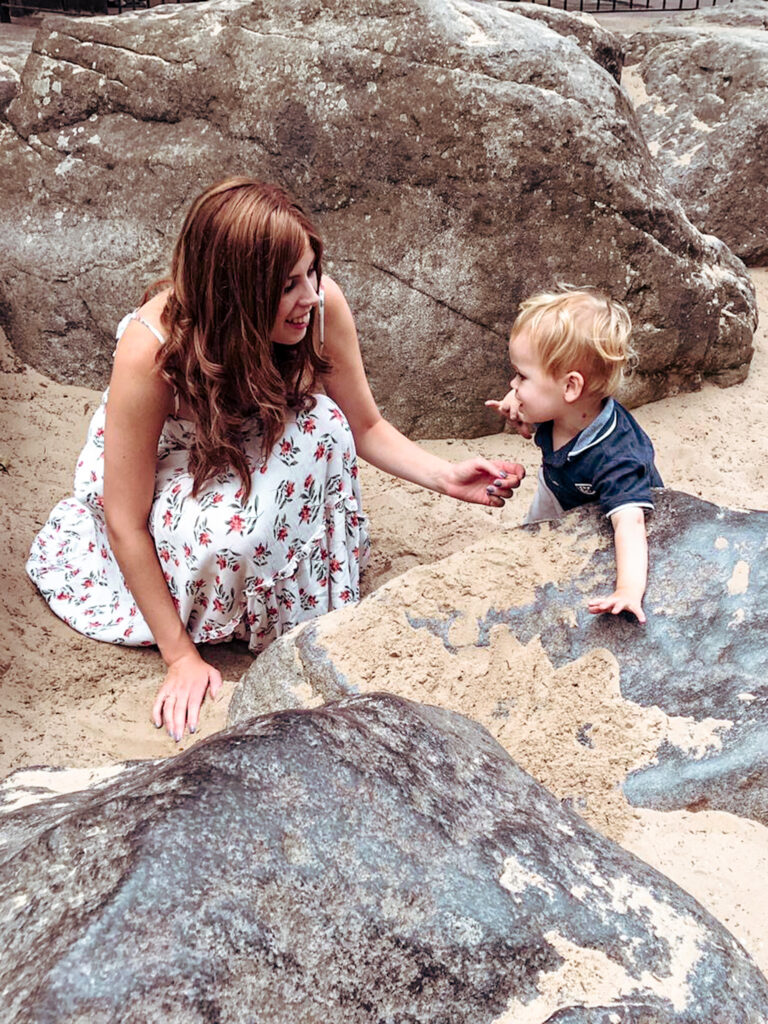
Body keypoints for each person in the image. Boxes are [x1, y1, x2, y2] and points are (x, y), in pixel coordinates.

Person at [27, 177, 524, 741]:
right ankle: (218, 611)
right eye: (287, 285)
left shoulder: (318, 305)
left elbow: (365, 425)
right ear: (235, 293)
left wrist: (446, 477)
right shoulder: (151, 350)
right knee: (232, 536)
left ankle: (299, 589)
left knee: (325, 426)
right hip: (171, 464)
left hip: (256, 433)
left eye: (311, 272)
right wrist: (180, 659)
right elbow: (124, 519)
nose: (310, 296)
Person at [486, 287, 663, 624]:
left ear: (570, 387)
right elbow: (530, 402)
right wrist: (515, 403)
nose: (512, 383)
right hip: (559, 489)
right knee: (531, 537)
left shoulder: (616, 456)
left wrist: (627, 590)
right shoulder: (558, 408)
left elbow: (630, 523)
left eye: (522, 376)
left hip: (604, 512)